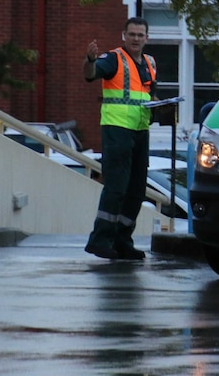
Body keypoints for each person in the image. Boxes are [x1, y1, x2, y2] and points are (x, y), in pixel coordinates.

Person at [83, 17, 157, 260]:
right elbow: (90, 74)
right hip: (117, 130)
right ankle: (100, 240)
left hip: (140, 131)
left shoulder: (150, 63)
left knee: (136, 190)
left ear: (147, 37)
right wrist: (90, 60)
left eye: (140, 34)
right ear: (124, 35)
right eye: (132, 34)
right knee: (116, 187)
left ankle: (122, 240)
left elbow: (148, 96)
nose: (136, 38)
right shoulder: (114, 58)